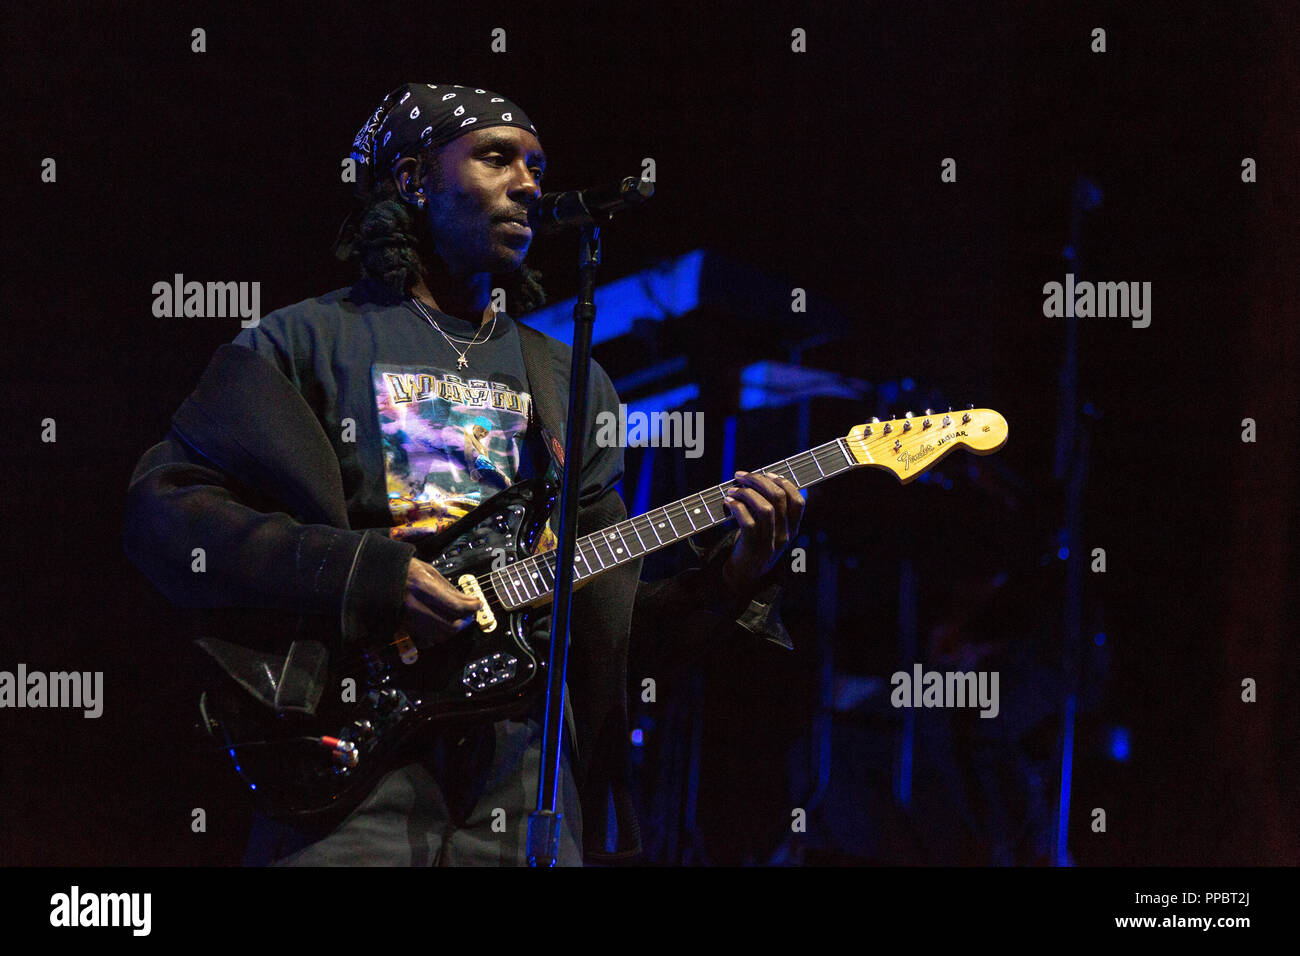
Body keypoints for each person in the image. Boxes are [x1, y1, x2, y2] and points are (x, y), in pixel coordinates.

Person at [122, 82, 804, 866]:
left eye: (537, 167)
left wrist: (736, 574)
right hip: (351, 770)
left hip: (522, 785)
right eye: (495, 158)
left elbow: (613, 633)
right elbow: (166, 514)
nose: (527, 184)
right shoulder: (305, 341)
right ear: (413, 180)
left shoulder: (568, 381)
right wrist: (374, 572)